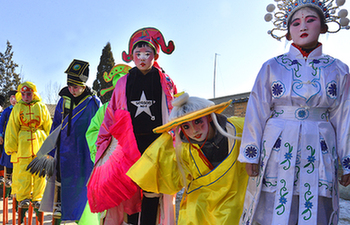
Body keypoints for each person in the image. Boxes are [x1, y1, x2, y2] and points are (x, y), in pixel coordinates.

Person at [238, 1, 350, 224]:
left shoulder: (338, 69)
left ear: (323, 27)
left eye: (310, 20)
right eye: (296, 23)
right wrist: (251, 152)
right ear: (288, 33)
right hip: (278, 144)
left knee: (317, 207)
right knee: (274, 207)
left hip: (320, 145)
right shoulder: (272, 66)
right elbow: (256, 109)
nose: (303, 27)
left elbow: (345, 116)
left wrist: (347, 161)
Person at [92, 27, 177, 225]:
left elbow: (175, 112)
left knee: (152, 191)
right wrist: (103, 143)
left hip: (157, 145)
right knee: (129, 190)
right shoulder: (124, 82)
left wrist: (175, 141)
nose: (142, 58)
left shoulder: (165, 81)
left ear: (155, 55)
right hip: (129, 145)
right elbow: (110, 116)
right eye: (137, 54)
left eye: (147, 54)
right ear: (131, 56)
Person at [127, 92, 248, 224]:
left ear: (208, 117)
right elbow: (172, 180)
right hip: (202, 204)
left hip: (238, 194)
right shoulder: (184, 151)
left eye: (198, 121)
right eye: (186, 126)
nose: (194, 130)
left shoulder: (238, 128)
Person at [39, 59, 101, 223]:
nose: (72, 90)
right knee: (64, 181)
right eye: (70, 86)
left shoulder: (93, 103)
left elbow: (100, 128)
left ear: (84, 85)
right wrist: (51, 151)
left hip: (85, 152)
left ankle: (83, 217)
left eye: (76, 87)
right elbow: (56, 126)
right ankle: (63, 211)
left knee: (83, 185)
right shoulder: (63, 100)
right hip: (66, 150)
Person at [4, 82, 52, 208]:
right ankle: (24, 197)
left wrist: (51, 144)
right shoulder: (17, 108)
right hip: (22, 145)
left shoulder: (41, 106)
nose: (26, 97)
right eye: (23, 94)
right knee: (22, 172)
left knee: (40, 173)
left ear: (34, 93)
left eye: (29, 94)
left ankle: (38, 198)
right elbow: (12, 128)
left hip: (39, 143)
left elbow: (48, 126)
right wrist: (10, 147)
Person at [0, 90, 17, 188]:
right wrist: (0, 135)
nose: (13, 100)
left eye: (15, 98)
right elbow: (1, 124)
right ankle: (8, 178)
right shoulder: (7, 111)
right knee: (8, 156)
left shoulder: (21, 110)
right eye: (11, 98)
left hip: (20, 138)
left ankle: (15, 178)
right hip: (8, 137)